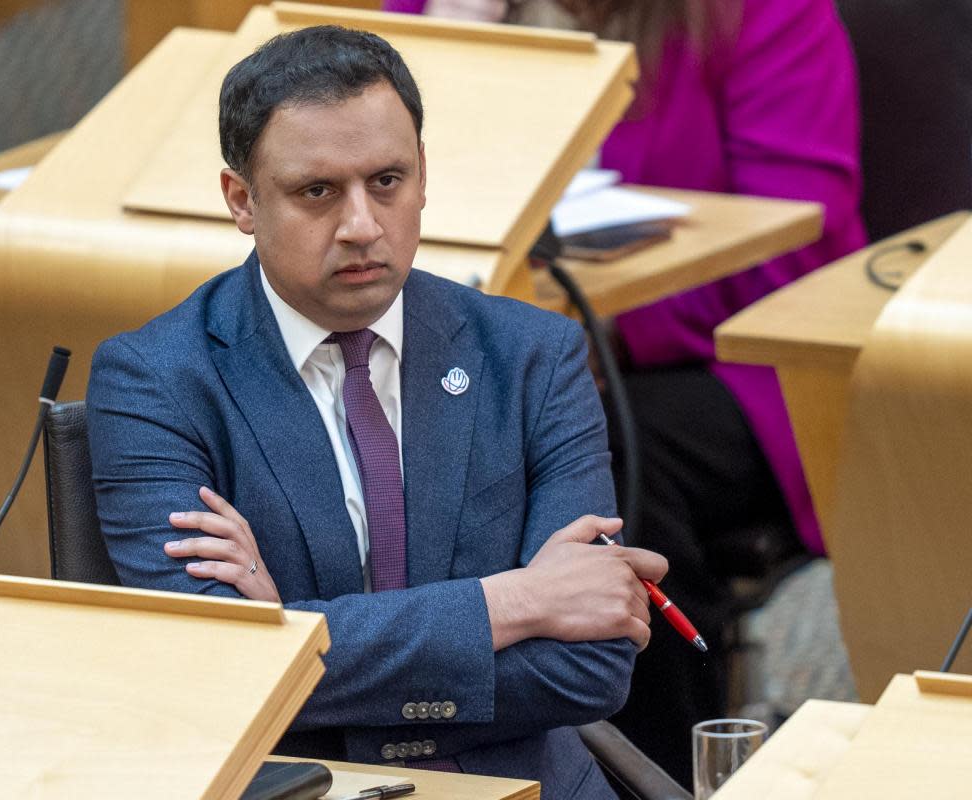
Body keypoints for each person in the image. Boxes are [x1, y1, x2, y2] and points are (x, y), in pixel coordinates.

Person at [87, 24, 668, 797]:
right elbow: (220, 677)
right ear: (242, 201)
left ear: (423, 177)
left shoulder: (533, 355)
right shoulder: (156, 381)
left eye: (388, 181)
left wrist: (295, 637)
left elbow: (587, 668)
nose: (362, 225)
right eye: (317, 191)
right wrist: (518, 601)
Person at [386, 0, 867, 786]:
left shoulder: (766, 16)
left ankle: (663, 771)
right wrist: (458, 37)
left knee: (597, 466)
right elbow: (358, 171)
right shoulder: (428, 15)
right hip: (507, 352)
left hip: (742, 369)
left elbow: (791, 252)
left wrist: (592, 339)